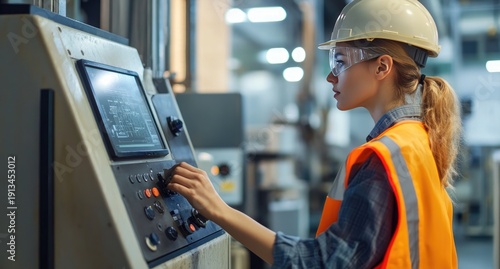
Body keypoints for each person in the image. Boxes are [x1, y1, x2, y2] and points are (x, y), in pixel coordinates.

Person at [167, 0, 461, 268]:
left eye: (341, 61)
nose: (330, 76)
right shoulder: (420, 141)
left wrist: (219, 210)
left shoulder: (383, 159)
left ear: (382, 66)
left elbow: (321, 263)